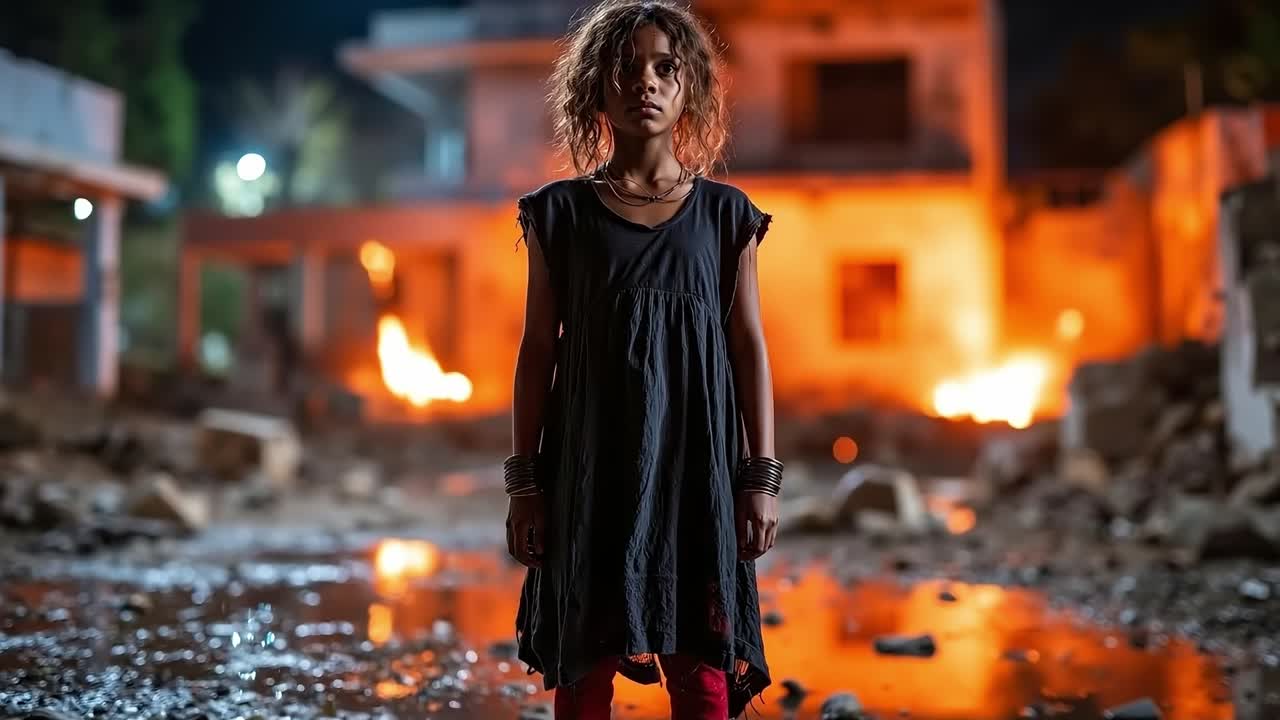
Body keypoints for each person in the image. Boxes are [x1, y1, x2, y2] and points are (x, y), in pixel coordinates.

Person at [506, 1, 782, 717]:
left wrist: (761, 480)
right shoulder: (559, 214)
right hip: (589, 472)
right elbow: (538, 350)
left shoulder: (726, 217)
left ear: (689, 86)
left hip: (698, 473)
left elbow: (749, 347)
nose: (646, 83)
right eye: (627, 69)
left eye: (666, 67)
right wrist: (524, 483)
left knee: (703, 664)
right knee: (583, 662)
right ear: (596, 87)